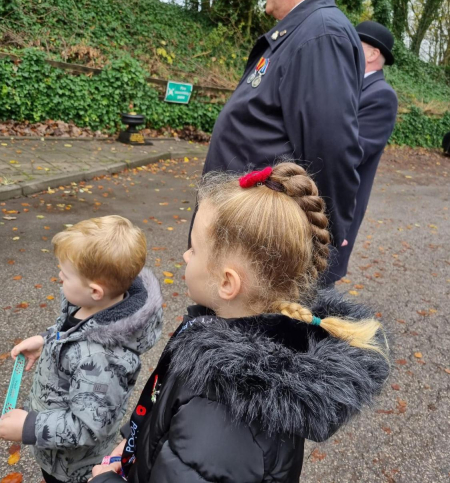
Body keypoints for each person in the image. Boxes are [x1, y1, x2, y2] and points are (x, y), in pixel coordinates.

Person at [90, 163, 389, 483]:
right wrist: (135, 441)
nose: (186, 256)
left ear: (227, 284)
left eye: (193, 248)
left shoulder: (219, 417)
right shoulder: (227, 328)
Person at [200, 0, 365, 282]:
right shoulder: (303, 33)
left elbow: (329, 152)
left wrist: (321, 247)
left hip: (263, 253)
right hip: (249, 242)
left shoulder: (320, 35)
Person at [0, 215, 163, 483]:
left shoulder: (103, 359)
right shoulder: (90, 306)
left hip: (73, 468)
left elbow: (88, 427)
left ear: (95, 291)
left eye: (65, 275)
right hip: (55, 452)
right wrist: (46, 340)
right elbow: (72, 333)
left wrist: (28, 427)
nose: (59, 278)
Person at [331, 21, 398, 281]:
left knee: (318, 289)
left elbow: (352, 152)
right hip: (320, 199)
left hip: (339, 207)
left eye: (354, 44)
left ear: (373, 54)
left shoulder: (382, 95)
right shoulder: (347, 85)